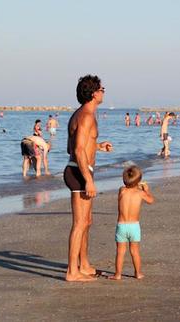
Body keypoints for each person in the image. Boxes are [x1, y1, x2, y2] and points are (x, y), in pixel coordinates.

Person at [64, 75, 113, 282]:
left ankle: (83, 264)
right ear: (93, 93)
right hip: (78, 173)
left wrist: (98, 146)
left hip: (80, 170)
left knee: (87, 221)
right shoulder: (85, 116)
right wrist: (88, 180)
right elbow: (76, 149)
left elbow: (77, 145)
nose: (104, 91)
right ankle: (71, 272)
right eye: (102, 89)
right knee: (80, 223)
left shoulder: (83, 114)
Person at [109, 166, 154, 280]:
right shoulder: (140, 193)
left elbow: (128, 187)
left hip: (122, 226)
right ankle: (138, 273)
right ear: (139, 181)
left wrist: (136, 184)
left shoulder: (122, 190)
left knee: (120, 251)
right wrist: (146, 189)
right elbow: (151, 200)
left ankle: (118, 274)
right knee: (135, 251)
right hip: (134, 226)